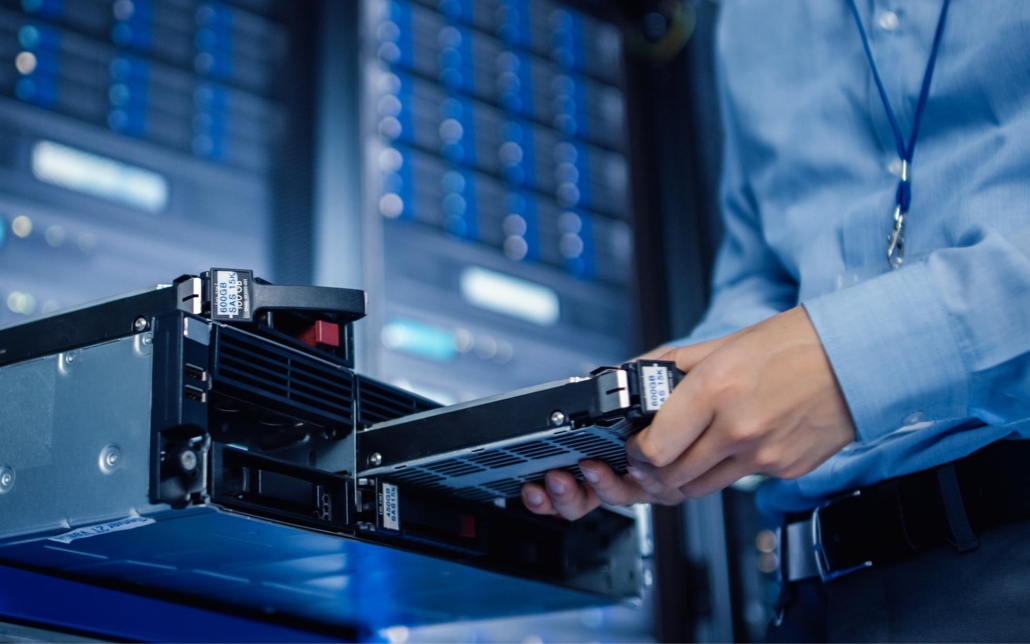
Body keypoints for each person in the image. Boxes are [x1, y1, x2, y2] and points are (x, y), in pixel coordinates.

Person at [522, 1, 1030, 640]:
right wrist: (669, 410)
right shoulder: (750, 17)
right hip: (817, 595)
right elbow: (763, 280)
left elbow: (817, 351)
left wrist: (850, 363)